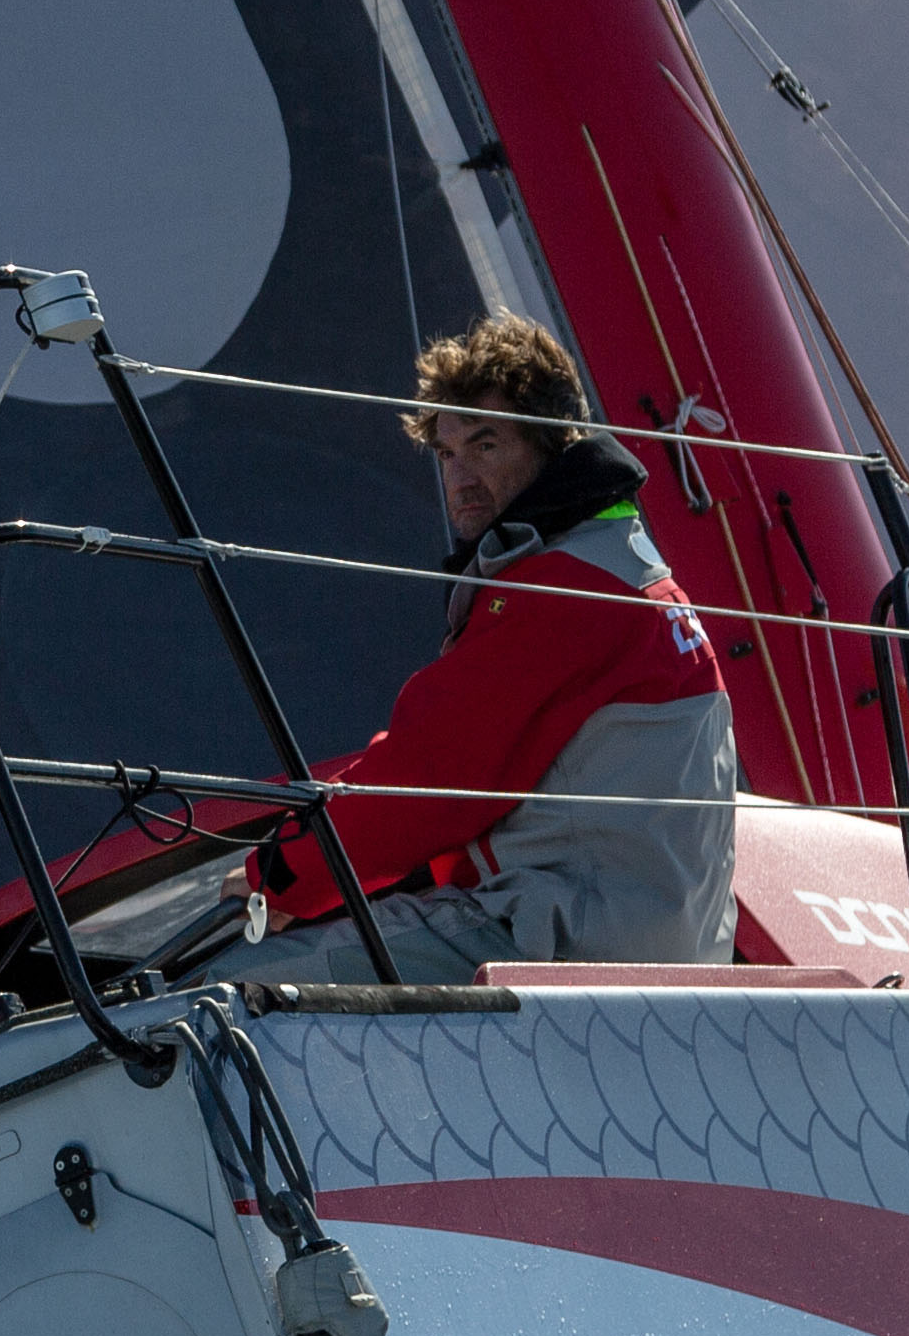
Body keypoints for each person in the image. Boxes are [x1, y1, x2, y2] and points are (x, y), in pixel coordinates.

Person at [243, 313, 738, 981]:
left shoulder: (563, 589)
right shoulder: (624, 566)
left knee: (228, 987)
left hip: (564, 938)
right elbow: (445, 749)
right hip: (653, 939)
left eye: (486, 445)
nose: (461, 478)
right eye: (447, 453)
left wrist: (273, 876)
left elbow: (430, 780)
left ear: (552, 444)